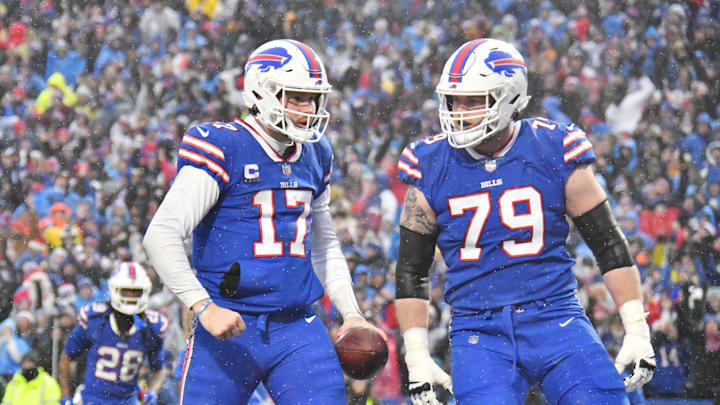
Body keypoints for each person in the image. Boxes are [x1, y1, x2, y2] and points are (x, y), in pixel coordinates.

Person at [394, 38, 656, 404]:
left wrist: (637, 328)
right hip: (478, 330)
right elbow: (411, 270)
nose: (460, 111)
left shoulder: (553, 147)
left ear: (510, 97)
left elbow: (608, 246)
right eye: (455, 100)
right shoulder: (430, 161)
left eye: (474, 100)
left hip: (556, 317)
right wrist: (417, 355)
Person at [143, 38, 384, 405]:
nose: (309, 109)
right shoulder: (224, 145)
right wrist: (203, 307)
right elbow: (160, 235)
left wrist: (351, 313)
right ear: (262, 92)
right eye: (297, 97)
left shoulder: (316, 152)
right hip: (229, 325)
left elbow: (323, 244)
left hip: (297, 327)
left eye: (313, 98)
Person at [58, 262, 169, 405]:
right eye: (126, 291)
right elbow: (66, 357)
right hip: (93, 400)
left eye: (136, 292)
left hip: (128, 401)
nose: (131, 296)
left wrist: (152, 392)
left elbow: (159, 369)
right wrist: (66, 396)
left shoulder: (150, 327)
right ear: (114, 290)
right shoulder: (96, 321)